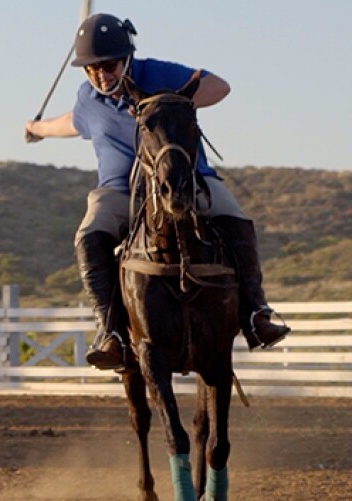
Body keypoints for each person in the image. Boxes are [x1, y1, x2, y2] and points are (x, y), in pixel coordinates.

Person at [25, 13, 289, 371]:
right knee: (88, 234)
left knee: (236, 219)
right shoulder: (88, 98)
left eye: (109, 65)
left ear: (127, 57)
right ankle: (111, 334)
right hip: (120, 192)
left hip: (186, 181)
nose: (102, 75)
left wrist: (174, 100)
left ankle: (255, 313)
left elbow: (220, 87)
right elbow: (72, 122)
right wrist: (38, 128)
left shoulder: (160, 74)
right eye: (92, 68)